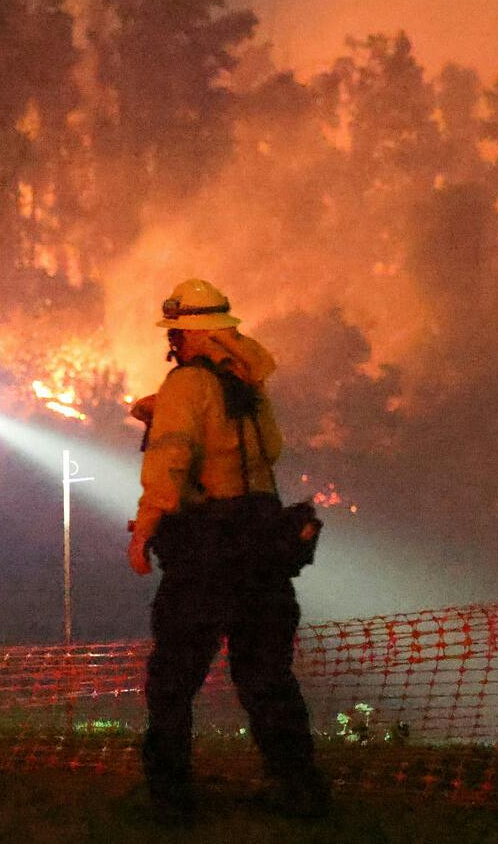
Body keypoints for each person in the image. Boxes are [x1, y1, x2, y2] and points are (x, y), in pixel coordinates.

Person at [127, 279, 330, 823]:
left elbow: (171, 459)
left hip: (206, 549)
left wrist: (144, 529)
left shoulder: (187, 383)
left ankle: (170, 800)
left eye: (174, 331)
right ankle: (300, 790)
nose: (171, 342)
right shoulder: (248, 384)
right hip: (262, 542)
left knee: (173, 679)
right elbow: (271, 450)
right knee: (266, 676)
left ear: (186, 333)